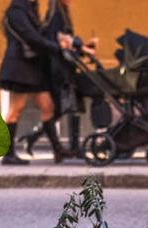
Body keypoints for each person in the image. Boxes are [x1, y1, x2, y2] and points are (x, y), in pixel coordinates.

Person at [18, 0, 97, 162]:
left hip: (63, 67)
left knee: (70, 105)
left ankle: (68, 144)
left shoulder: (59, 14)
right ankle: (64, 144)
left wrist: (82, 48)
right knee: (62, 107)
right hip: (59, 69)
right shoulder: (57, 16)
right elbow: (61, 42)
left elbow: (65, 42)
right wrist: (81, 47)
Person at [0, 0, 73, 165]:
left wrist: (58, 43)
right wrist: (56, 48)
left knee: (48, 107)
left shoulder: (30, 9)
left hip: (31, 67)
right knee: (15, 110)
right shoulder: (16, 11)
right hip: (19, 66)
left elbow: (38, 35)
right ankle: (8, 154)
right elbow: (31, 37)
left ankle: (58, 150)